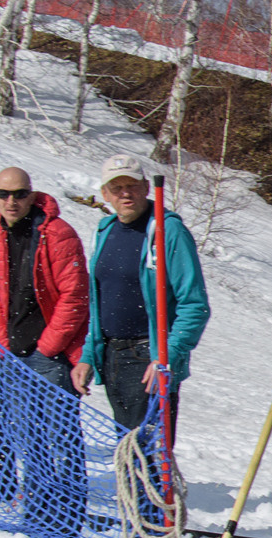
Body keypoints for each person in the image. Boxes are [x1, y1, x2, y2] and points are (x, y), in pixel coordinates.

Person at [72, 154, 211, 432]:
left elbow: (194, 305)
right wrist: (88, 355)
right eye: (116, 188)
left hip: (149, 357)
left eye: (132, 185)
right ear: (105, 194)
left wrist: (167, 356)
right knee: (126, 445)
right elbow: (100, 302)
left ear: (146, 187)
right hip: (112, 355)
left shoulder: (167, 230)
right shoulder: (105, 230)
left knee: (146, 449)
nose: (125, 193)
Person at [0, 168, 89, 392]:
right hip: (12, 354)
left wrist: (47, 348)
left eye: (19, 194)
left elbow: (75, 296)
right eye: (3, 194)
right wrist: (3, 344)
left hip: (52, 357)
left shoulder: (58, 233)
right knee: (16, 416)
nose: (11, 201)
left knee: (55, 417)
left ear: (31, 196)